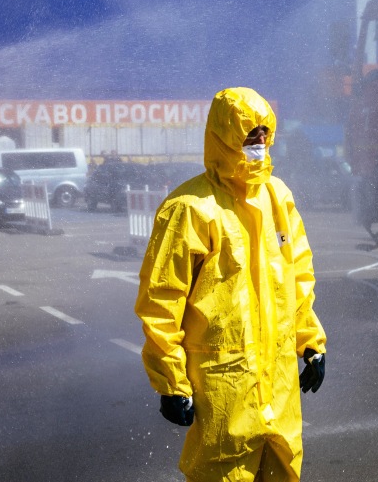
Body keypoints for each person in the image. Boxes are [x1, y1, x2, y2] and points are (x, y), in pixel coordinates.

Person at [134, 87, 327, 482]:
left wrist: (310, 343)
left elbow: (298, 276)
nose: (258, 143)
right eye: (247, 134)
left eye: (263, 133)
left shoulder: (278, 196)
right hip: (224, 386)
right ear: (222, 136)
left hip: (279, 385)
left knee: (284, 472)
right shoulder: (189, 207)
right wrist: (171, 382)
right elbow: (161, 300)